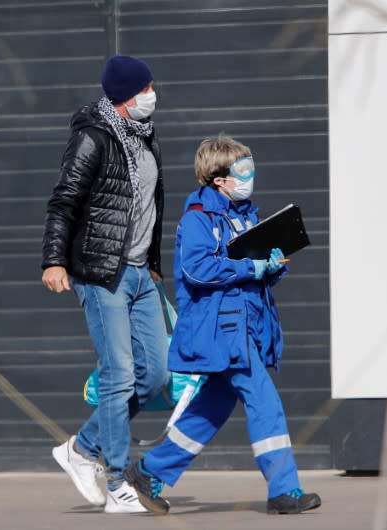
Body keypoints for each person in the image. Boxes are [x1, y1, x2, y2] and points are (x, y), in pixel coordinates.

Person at [121, 134, 322, 515]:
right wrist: (251, 266)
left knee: (211, 408)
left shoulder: (245, 215)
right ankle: (284, 489)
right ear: (219, 179)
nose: (250, 178)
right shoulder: (199, 219)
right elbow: (196, 270)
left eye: (251, 169)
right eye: (242, 171)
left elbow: (248, 275)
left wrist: (271, 269)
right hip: (223, 330)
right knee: (265, 403)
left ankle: (149, 472)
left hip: (243, 326)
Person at [41, 55, 169, 514]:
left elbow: (148, 207)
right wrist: (54, 261)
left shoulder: (146, 136)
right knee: (117, 375)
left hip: (138, 274)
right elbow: (63, 203)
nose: (154, 94)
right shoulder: (92, 138)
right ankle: (116, 481)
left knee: (155, 376)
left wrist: (152, 262)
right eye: (148, 87)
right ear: (127, 94)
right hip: (100, 273)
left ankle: (81, 449)